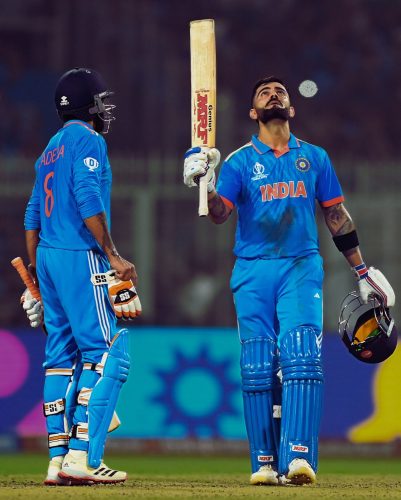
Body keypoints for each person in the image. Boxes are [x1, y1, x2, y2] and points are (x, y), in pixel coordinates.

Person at [183, 76, 395, 486]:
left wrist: (362, 271)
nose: (274, 95)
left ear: (291, 109)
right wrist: (203, 180)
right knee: (258, 365)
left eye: (280, 92)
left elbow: (336, 217)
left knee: (301, 356)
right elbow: (219, 213)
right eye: (264, 93)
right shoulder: (241, 161)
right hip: (252, 269)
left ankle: (298, 457)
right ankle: (263, 463)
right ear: (253, 112)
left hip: (300, 266)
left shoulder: (314, 158)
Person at [22, 67, 142, 486]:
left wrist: (37, 276)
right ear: (88, 105)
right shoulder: (88, 140)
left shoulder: (49, 149)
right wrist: (111, 254)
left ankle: (57, 460)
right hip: (79, 254)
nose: (104, 109)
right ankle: (81, 455)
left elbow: (32, 215)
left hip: (51, 257)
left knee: (58, 361)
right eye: (100, 100)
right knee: (106, 354)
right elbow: (87, 196)